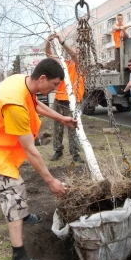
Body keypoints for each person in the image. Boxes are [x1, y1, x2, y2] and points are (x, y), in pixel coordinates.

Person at [0, 58, 77, 260]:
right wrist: (51, 181)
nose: (56, 89)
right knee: (13, 190)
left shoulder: (23, 81)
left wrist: (60, 118)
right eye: (55, 84)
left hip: (0, 144)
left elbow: (35, 104)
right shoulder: (14, 104)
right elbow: (31, 151)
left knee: (16, 185)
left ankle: (23, 215)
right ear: (43, 78)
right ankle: (18, 258)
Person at [45, 33, 85, 163]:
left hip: (73, 101)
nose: (76, 52)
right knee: (58, 127)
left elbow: (73, 55)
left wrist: (62, 42)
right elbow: (48, 55)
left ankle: (75, 153)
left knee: (73, 127)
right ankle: (58, 150)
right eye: (76, 49)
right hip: (59, 100)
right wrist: (48, 42)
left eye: (78, 51)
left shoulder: (81, 65)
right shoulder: (64, 63)